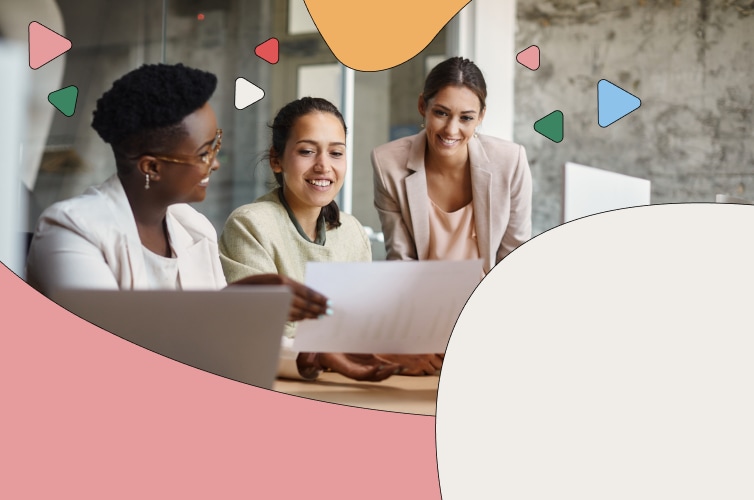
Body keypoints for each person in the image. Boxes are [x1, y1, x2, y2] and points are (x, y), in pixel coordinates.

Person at [26, 63, 328, 323]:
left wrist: (307, 355)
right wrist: (227, 305)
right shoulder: (70, 230)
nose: (216, 165)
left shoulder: (193, 228)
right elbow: (109, 343)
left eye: (216, 145)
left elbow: (221, 344)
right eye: (203, 154)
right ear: (151, 167)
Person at [219, 97, 402, 381]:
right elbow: (257, 332)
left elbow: (360, 328)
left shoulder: (352, 231)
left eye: (336, 153)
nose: (323, 166)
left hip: (344, 382)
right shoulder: (250, 224)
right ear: (276, 160)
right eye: (307, 151)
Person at [371, 56, 533, 275]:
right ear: (422, 106)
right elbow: (401, 260)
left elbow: (514, 259)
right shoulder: (388, 164)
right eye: (441, 113)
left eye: (465, 118)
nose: (451, 130)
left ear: (480, 117)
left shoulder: (510, 162)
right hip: (420, 298)